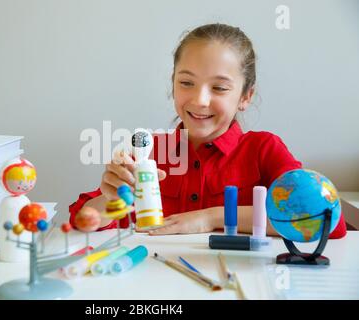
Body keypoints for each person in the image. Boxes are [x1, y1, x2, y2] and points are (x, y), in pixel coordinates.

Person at [69, 23, 346, 238]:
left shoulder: (263, 149)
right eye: (187, 82)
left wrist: (211, 217)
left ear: (245, 96)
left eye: (219, 88)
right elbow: (79, 223)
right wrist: (109, 198)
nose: (200, 99)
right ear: (173, 83)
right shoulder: (150, 151)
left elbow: (326, 221)